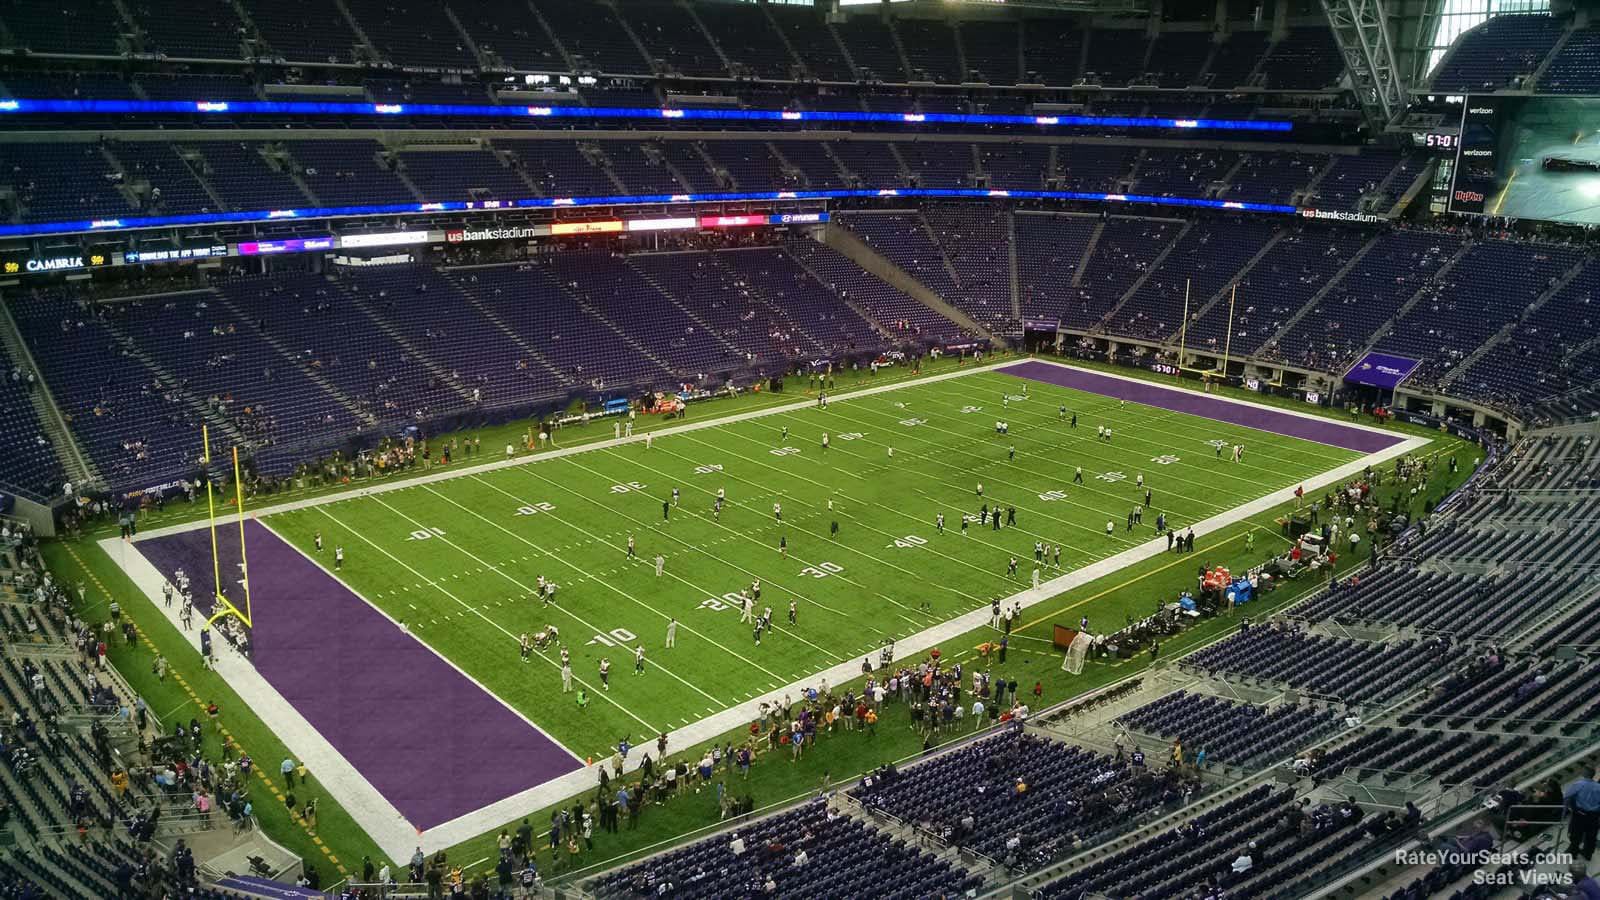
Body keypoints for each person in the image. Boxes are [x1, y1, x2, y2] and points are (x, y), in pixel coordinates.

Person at [1565, 768, 1600, 865]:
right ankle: (1587, 854)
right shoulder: (1598, 787)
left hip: (1580, 815)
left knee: (1576, 835)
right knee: (1591, 837)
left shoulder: (1578, 784)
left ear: (1584, 773)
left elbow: (1567, 796)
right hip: (1594, 816)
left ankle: (1573, 852)